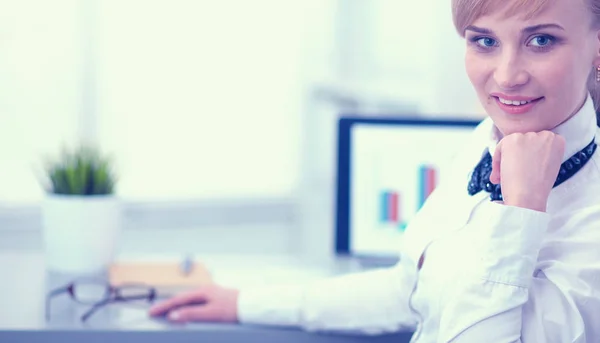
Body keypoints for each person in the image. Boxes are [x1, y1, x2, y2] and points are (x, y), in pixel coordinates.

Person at [149, 0, 600, 341]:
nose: (506, 76)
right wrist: (245, 303)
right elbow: (408, 290)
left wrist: (519, 214)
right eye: (484, 41)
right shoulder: (486, 140)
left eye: (541, 40)